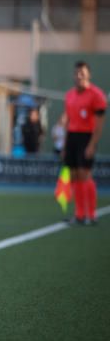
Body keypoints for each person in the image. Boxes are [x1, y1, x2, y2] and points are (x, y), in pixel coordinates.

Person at [62, 60, 106, 225]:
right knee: (74, 176)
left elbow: (99, 123)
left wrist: (92, 144)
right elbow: (68, 122)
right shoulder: (69, 95)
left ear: (89, 75)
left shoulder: (97, 95)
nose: (79, 76)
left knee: (85, 175)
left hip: (86, 137)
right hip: (72, 137)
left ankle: (92, 215)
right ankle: (79, 214)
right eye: (77, 73)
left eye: (82, 73)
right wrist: (65, 146)